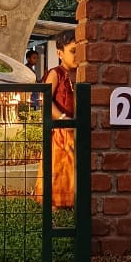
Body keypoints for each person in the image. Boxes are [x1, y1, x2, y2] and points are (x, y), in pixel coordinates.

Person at [34, 30, 77, 209]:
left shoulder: (81, 72)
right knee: (59, 168)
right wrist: (62, 118)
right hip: (61, 129)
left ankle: (74, 201)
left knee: (74, 167)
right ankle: (57, 203)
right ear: (60, 53)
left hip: (76, 127)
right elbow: (45, 99)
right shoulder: (56, 73)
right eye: (73, 51)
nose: (78, 56)